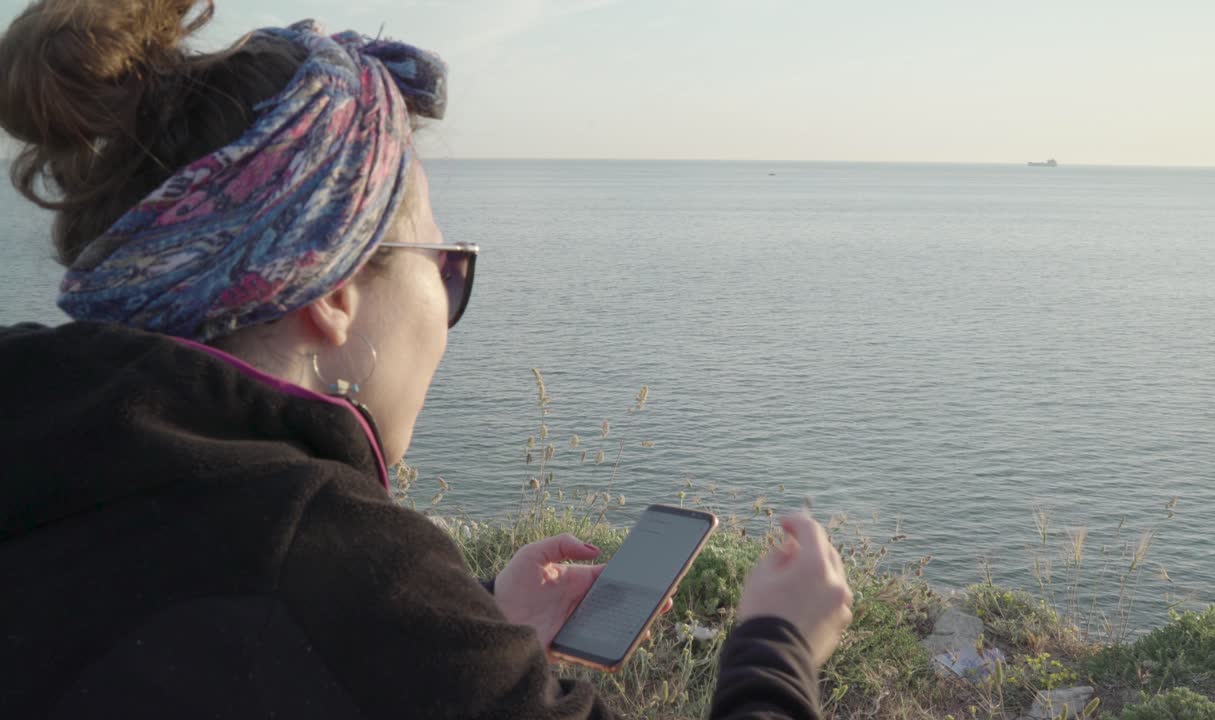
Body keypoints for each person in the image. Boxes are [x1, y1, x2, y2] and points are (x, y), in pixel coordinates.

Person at [0, 1, 854, 717]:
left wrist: (476, 624)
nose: (447, 311)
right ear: (329, 295)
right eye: (443, 267)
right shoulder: (327, 560)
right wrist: (778, 645)